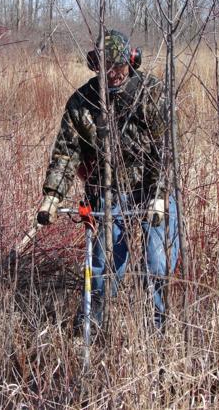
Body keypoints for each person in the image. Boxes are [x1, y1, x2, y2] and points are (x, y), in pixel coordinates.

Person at [36, 29, 179, 329]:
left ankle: (159, 327)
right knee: (103, 264)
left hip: (152, 188)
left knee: (158, 262)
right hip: (110, 192)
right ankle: (90, 324)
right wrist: (53, 194)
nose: (113, 73)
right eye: (106, 66)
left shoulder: (151, 94)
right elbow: (66, 152)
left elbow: (165, 150)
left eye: (118, 65)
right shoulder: (82, 102)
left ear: (131, 60)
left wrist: (158, 194)